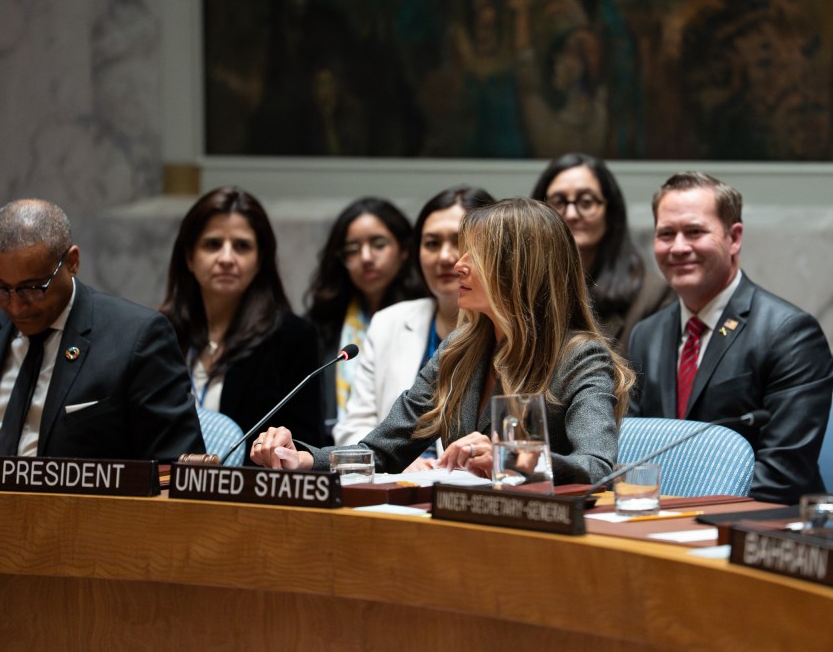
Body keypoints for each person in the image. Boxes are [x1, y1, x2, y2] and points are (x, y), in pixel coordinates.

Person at [251, 198, 636, 485]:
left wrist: (515, 457)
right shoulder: (457, 353)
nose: (458, 265)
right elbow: (381, 452)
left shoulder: (580, 358)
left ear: (520, 269)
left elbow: (597, 467)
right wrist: (303, 459)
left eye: (476, 254)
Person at [0, 199, 204, 463]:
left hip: (83, 508)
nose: (15, 306)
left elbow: (175, 465)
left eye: (32, 288)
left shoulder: (137, 338)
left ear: (72, 262)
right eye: (0, 287)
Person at [625, 172, 833, 504]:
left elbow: (781, 474)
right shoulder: (645, 335)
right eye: (666, 234)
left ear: (734, 238)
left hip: (758, 524)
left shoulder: (790, 333)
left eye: (694, 232)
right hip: (661, 521)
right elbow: (630, 452)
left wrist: (690, 521)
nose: (678, 247)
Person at [160, 187, 324, 448]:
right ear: (189, 257)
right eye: (213, 244)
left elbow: (306, 445)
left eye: (242, 246)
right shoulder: (159, 333)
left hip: (252, 485)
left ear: (260, 261)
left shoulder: (293, 338)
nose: (226, 258)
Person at [335, 185, 495, 448]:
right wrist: (398, 466)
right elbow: (353, 427)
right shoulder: (388, 322)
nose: (445, 257)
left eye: (459, 242)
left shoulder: (506, 330)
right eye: (432, 243)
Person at [531, 153, 672, 352]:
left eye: (586, 202)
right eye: (558, 202)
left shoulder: (653, 296)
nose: (571, 214)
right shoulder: (519, 291)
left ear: (610, 212)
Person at [306, 197, 423, 431]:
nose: (366, 258)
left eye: (378, 244)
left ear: (403, 250)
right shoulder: (322, 325)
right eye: (352, 250)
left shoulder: (426, 319)